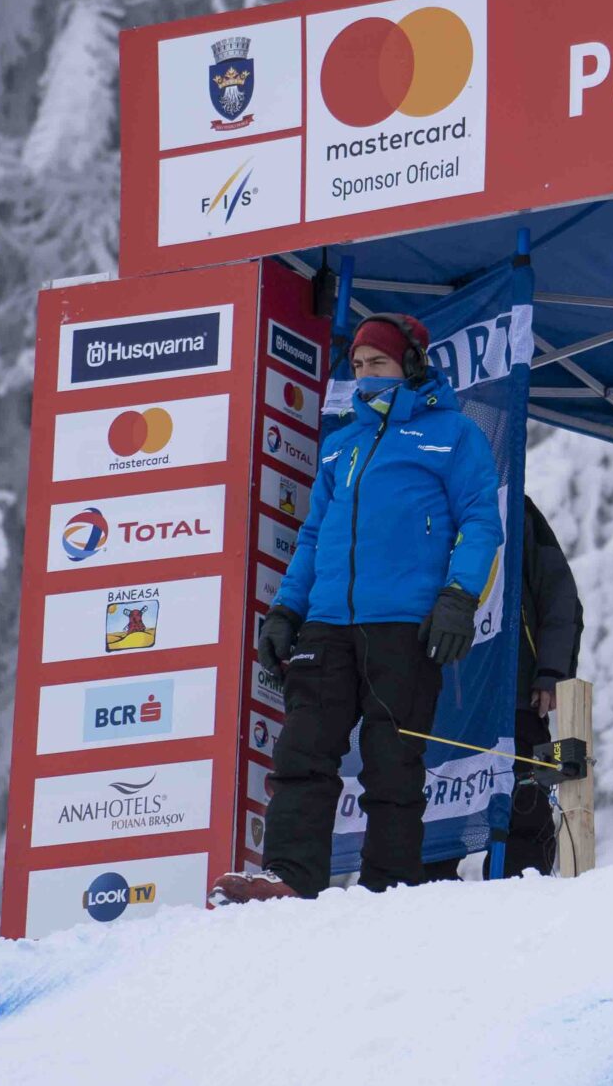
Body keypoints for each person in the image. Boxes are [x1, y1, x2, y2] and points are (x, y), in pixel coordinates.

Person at [221, 312, 505, 901]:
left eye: (379, 362)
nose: (367, 373)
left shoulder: (452, 434)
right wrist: (287, 610)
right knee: (302, 751)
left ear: (411, 366)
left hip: (403, 625)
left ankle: (387, 890)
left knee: (392, 764)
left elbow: (480, 521)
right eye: (358, 365)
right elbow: (313, 537)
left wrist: (458, 598)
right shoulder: (341, 445)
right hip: (327, 625)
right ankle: (289, 877)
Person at [418, 496, 583, 881]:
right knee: (434, 823)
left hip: (513, 696)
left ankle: (517, 901)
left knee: (526, 811)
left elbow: (559, 595)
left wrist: (551, 671)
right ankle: (432, 908)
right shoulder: (421, 499)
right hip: (443, 704)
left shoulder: (512, 504)